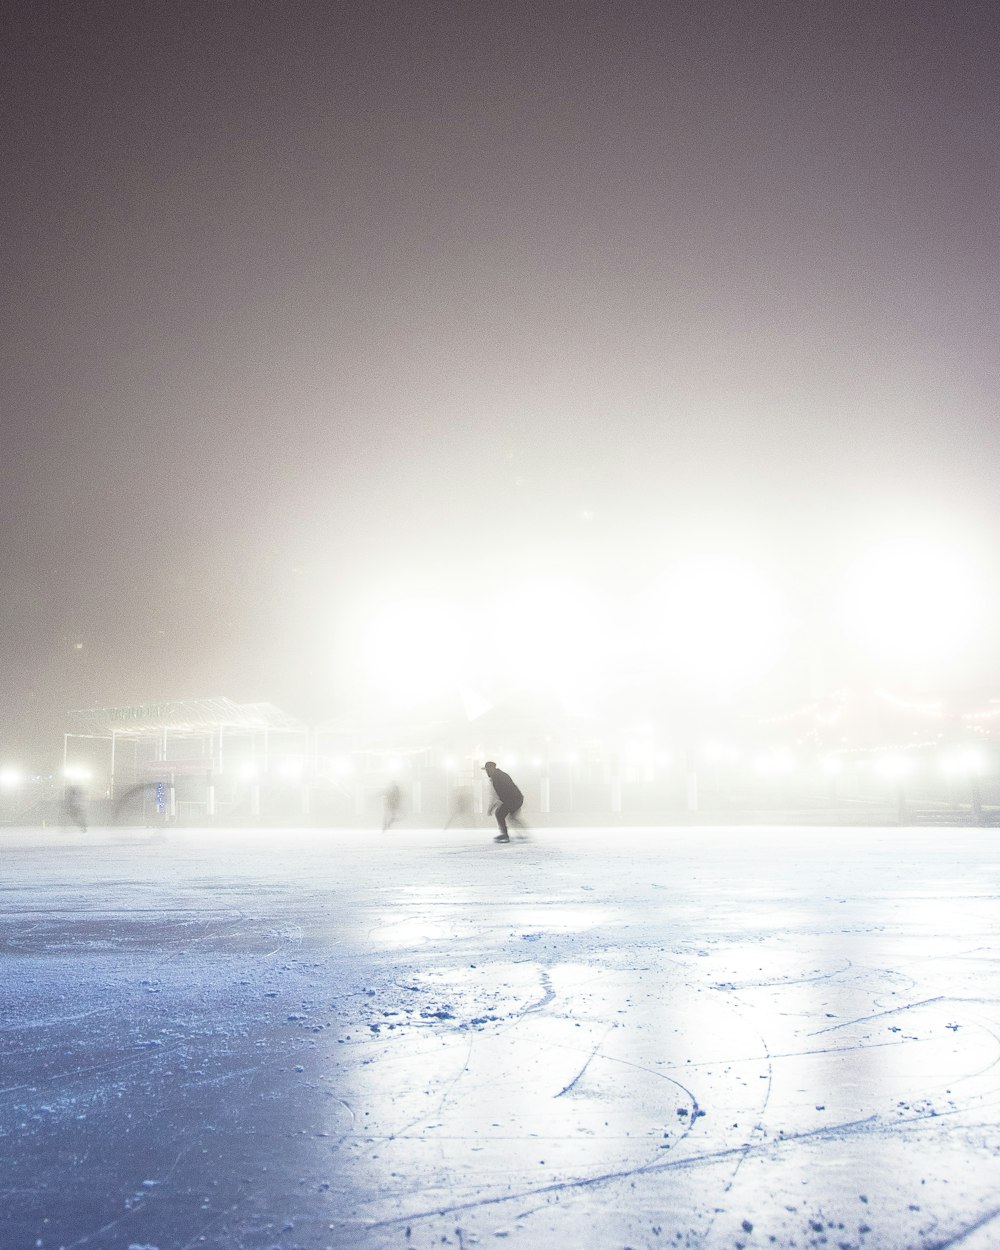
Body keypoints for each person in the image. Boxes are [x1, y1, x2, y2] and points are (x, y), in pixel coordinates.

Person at [482, 760, 525, 843]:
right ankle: (522, 833)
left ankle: (505, 835)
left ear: (492, 769)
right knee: (510, 817)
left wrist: (493, 807)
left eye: (487, 770)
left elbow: (503, 794)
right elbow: (501, 795)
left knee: (499, 814)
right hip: (515, 799)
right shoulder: (497, 776)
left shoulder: (499, 777)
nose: (486, 772)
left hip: (514, 799)